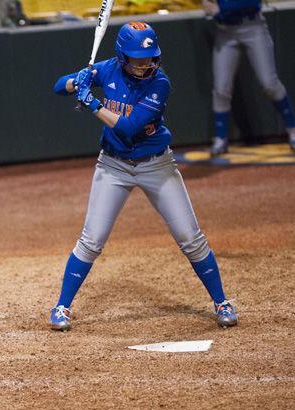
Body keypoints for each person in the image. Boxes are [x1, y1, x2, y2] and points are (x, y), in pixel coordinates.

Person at [49, 22, 238, 332]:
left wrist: (92, 102)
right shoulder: (107, 69)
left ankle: (221, 301)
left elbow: (128, 127)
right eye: (137, 59)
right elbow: (58, 86)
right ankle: (61, 306)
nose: (144, 64)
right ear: (122, 57)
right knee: (92, 240)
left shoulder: (159, 83)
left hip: (157, 166)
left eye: (148, 58)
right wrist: (77, 82)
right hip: (113, 166)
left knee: (190, 238)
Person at [202, 0, 295, 155]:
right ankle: (220, 138)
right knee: (221, 89)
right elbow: (209, 6)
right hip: (225, 32)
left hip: (253, 27)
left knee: (269, 83)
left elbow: (251, 3)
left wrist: (221, 8)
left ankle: (293, 130)